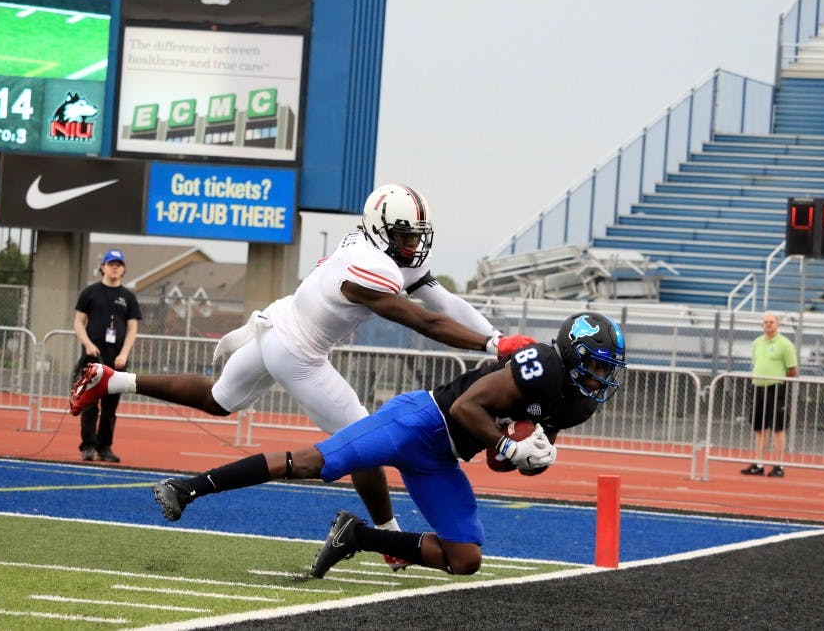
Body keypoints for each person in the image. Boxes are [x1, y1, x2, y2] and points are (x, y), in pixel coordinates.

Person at [69, 183, 535, 571]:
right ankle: (391, 541)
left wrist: (495, 335)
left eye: (415, 234)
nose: (411, 244)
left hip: (276, 322)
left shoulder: (371, 246)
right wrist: (492, 347)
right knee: (363, 443)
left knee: (218, 398)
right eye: (403, 234)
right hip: (298, 350)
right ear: (380, 229)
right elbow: (425, 321)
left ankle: (111, 381)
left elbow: (442, 300)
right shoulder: (369, 267)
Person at [150, 311, 626, 578]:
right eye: (599, 366)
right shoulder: (540, 364)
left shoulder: (578, 405)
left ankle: (355, 536)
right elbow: (466, 410)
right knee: (311, 462)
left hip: (441, 458)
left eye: (609, 370)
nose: (602, 378)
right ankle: (188, 487)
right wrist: (506, 445)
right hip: (420, 420)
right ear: (572, 354)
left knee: (466, 557)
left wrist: (531, 461)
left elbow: (507, 462)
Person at [73, 248, 141, 463]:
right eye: (111, 264)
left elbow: (132, 329)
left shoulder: (128, 297)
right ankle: (88, 446)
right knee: (90, 405)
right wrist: (87, 344)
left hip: (117, 361)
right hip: (93, 358)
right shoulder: (89, 293)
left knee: (110, 408)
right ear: (103, 267)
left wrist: (124, 354)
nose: (114, 268)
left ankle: (105, 447)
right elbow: (78, 322)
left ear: (123, 270)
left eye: (118, 265)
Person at [741, 311, 798, 478]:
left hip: (776, 387)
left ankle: (779, 466)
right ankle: (758, 464)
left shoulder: (785, 344)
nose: (768, 324)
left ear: (778, 324)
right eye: (765, 322)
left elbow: (792, 369)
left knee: (778, 428)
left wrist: (780, 382)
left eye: (771, 322)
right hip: (759, 386)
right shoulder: (757, 343)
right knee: (759, 428)